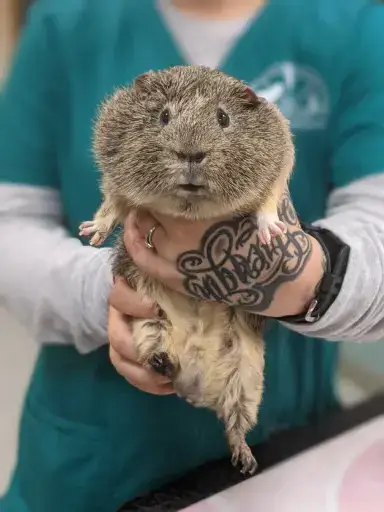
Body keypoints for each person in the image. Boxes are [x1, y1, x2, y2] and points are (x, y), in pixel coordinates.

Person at [1, 0, 384, 510]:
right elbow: (10, 219)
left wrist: (307, 277)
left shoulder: (357, 23)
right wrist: (105, 288)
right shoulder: (65, 19)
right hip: (92, 462)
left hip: (283, 458)